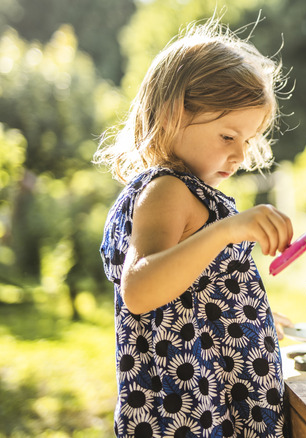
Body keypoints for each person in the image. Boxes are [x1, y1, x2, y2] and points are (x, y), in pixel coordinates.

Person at [95, 17, 292, 437]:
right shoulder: (166, 190)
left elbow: (192, 293)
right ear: (173, 115)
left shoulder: (187, 191)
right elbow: (140, 290)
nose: (240, 154)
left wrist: (252, 318)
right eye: (227, 136)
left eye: (249, 139)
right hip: (189, 412)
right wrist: (224, 231)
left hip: (216, 397)